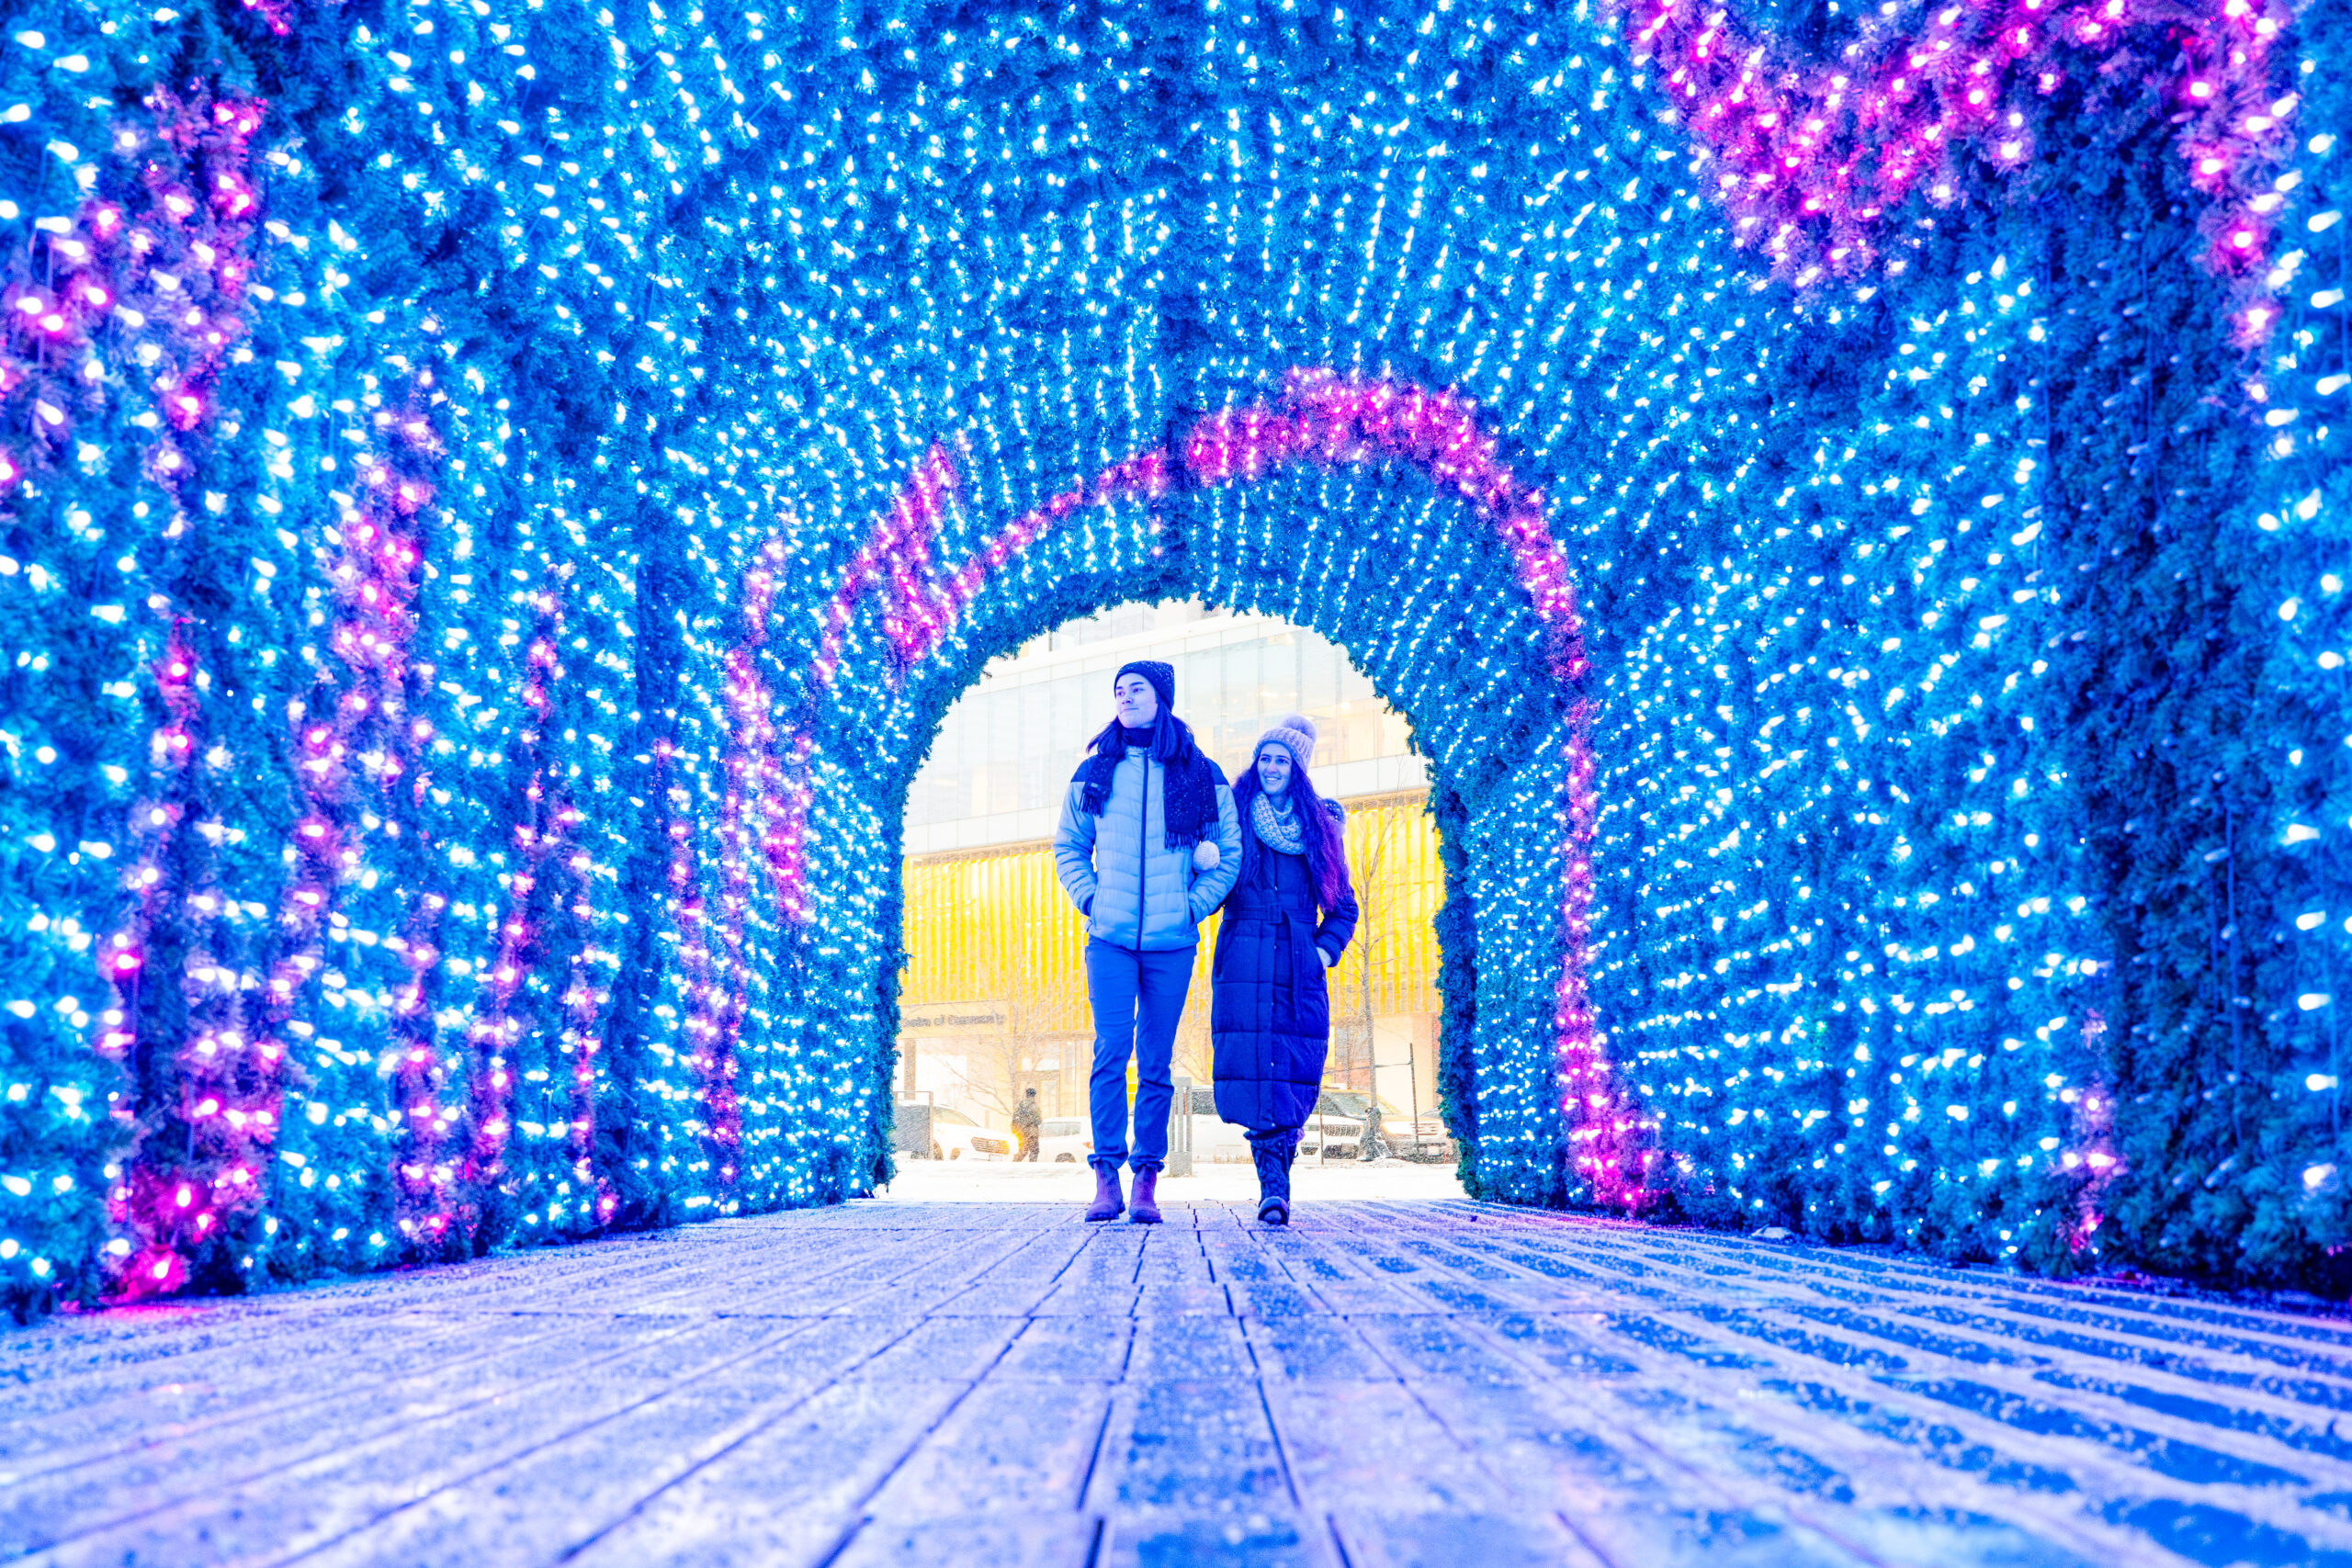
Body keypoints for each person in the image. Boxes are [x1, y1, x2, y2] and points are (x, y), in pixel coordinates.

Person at [1053, 660, 1242, 1224]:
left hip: (1171, 942)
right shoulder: (1094, 771)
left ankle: (1146, 1181)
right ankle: (1106, 1178)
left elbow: (1226, 853)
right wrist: (1092, 899)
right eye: (1118, 690)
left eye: (1136, 688)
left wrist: (1192, 906)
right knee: (1111, 1053)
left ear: (1162, 697)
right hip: (1109, 938)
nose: (1125, 697)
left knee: (1156, 1062)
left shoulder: (1200, 773)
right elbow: (1068, 846)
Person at [1208, 713, 1359, 1225]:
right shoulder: (1233, 819)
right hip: (1244, 958)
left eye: (1282, 760)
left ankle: (1276, 1179)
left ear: (1298, 769)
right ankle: (1275, 1187)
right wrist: (1202, 863)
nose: (1272, 767)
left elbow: (1342, 907)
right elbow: (1215, 887)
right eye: (1265, 758)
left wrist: (1322, 951)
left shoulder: (1320, 830)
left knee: (1291, 1071)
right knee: (1254, 1071)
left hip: (1299, 966)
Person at [1012, 1086, 1042, 1162]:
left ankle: (1013, 1164)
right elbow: (1039, 1120)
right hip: (1032, 1133)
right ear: (1034, 1095)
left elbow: (1014, 1119)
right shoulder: (1034, 1106)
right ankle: (1032, 1167)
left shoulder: (1018, 1105)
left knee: (1022, 1151)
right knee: (1034, 1151)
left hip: (1021, 1133)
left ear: (1026, 1095)